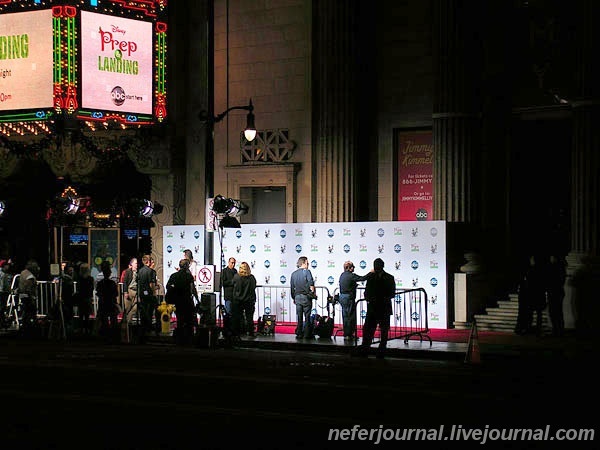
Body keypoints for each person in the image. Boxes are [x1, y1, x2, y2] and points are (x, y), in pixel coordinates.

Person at [357, 258, 396, 359]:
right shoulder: (371, 278)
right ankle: (366, 349)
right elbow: (367, 292)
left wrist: (381, 298)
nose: (376, 267)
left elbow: (392, 293)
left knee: (384, 331)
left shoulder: (389, 278)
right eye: (375, 265)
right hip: (373, 308)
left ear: (382, 266)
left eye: (377, 265)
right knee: (368, 330)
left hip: (384, 308)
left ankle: (381, 351)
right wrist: (369, 298)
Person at [165, 258, 199, 345]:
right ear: (187, 266)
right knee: (189, 320)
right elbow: (193, 289)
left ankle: (180, 340)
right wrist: (198, 300)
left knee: (180, 320)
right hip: (187, 301)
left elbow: (168, 287)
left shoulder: (173, 276)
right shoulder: (188, 276)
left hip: (177, 301)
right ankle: (188, 340)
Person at [338, 261, 372, 341]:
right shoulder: (351, 276)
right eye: (353, 266)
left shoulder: (342, 275)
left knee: (345, 316)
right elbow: (362, 278)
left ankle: (346, 334)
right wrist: (370, 273)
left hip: (342, 297)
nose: (354, 268)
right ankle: (349, 335)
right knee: (350, 317)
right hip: (349, 298)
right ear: (349, 268)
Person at [515, 255, 547, 336]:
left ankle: (530, 328)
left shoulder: (533, 270)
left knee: (532, 313)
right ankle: (531, 328)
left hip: (533, 295)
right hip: (533, 295)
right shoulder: (535, 270)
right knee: (534, 313)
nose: (531, 260)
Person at [289, 256, 316, 340]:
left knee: (299, 317)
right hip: (306, 297)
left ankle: (299, 333)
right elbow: (311, 285)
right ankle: (307, 334)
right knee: (307, 317)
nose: (308, 265)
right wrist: (313, 294)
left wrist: (294, 297)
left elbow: (292, 287)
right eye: (307, 263)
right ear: (303, 263)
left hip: (297, 298)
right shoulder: (307, 272)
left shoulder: (293, 274)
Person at [95, 260, 120, 343]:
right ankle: (114, 337)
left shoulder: (100, 282)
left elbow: (98, 293)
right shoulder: (112, 283)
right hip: (111, 303)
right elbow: (116, 294)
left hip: (103, 303)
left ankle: (105, 337)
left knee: (104, 321)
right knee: (113, 321)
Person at [232, 261, 257, 338]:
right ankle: (251, 333)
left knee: (237, 317)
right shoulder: (252, 278)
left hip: (238, 300)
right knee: (249, 318)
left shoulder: (236, 277)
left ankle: (237, 333)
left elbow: (233, 284)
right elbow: (254, 286)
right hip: (249, 301)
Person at [137, 254, 158, 340]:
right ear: (148, 262)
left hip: (142, 293)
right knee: (150, 311)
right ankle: (149, 328)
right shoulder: (151, 271)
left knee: (143, 310)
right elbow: (151, 284)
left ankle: (143, 327)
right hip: (148, 294)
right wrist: (155, 291)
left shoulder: (140, 271)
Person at [18, 259, 40, 336]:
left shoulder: (23, 272)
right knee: (30, 312)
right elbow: (29, 288)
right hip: (27, 296)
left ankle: (24, 327)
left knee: (25, 311)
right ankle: (29, 328)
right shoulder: (30, 276)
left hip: (22, 295)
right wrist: (32, 298)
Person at [546, 255, 567, 337]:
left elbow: (552, 280)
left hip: (554, 292)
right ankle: (559, 330)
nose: (550, 258)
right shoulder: (560, 268)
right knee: (557, 312)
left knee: (555, 312)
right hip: (557, 292)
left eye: (552, 257)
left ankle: (557, 330)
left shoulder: (555, 268)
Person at [76, 263, 95, 336]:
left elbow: (79, 288)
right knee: (87, 315)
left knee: (81, 315)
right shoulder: (90, 278)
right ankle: (87, 330)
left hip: (81, 298)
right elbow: (91, 288)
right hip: (88, 298)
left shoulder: (79, 278)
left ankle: (81, 330)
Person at [121, 257, 139, 323]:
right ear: (132, 264)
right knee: (127, 308)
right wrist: (125, 292)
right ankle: (125, 323)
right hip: (129, 290)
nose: (137, 265)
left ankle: (128, 320)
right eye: (136, 263)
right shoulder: (128, 271)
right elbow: (125, 282)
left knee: (137, 306)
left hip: (137, 291)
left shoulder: (139, 272)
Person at [0, 259, 14, 326]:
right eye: (7, 265)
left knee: (3, 307)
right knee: (1, 307)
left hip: (4, 292)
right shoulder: (1, 273)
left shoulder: (6, 274)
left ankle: (2, 321)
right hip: (1, 292)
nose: (8, 267)